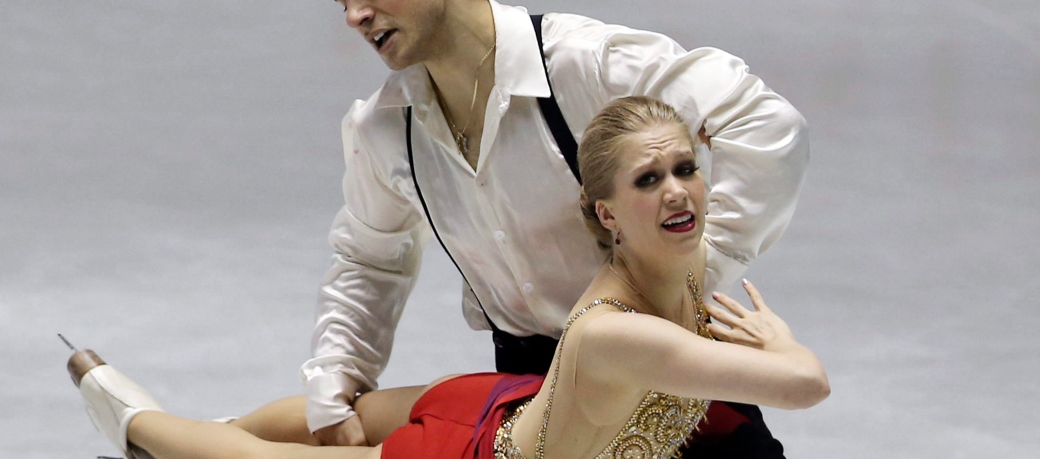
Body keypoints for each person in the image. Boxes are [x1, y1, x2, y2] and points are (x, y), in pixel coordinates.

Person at [290, 0, 810, 450]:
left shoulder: (581, 64)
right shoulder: (386, 127)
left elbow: (765, 123)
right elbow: (371, 260)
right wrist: (334, 385)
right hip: (530, 400)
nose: (355, 15)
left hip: (668, 388)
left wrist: (694, 271)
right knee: (261, 434)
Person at [67, 96, 829, 459]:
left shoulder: (677, 247)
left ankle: (223, 426)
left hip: (516, 403)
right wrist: (778, 341)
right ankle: (138, 424)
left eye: (685, 169)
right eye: (647, 180)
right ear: (604, 213)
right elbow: (804, 387)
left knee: (352, 412)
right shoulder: (618, 334)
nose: (675, 192)